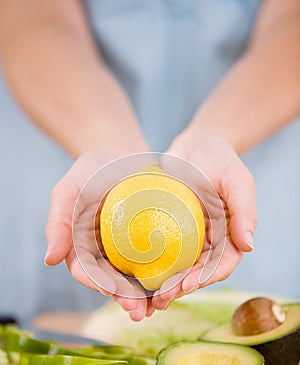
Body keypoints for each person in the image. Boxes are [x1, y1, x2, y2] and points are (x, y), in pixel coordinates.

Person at [0, 0, 299, 322]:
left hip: (255, 114)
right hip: (69, 108)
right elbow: (34, 15)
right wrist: (102, 138)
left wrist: (218, 135)